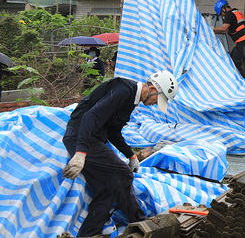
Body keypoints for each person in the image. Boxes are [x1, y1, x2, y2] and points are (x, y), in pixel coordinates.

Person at [62, 70, 178, 237]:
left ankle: (88, 234)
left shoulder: (131, 99)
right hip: (82, 137)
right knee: (123, 175)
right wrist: (81, 152)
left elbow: (113, 131)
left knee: (106, 189)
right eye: (157, 100)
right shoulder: (123, 91)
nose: (154, 104)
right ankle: (142, 225)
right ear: (152, 88)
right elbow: (90, 117)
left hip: (89, 139)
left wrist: (131, 155)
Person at [213, 0, 245, 78]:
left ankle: (243, 83)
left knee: (235, 63)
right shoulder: (236, 12)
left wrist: (212, 29)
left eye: (221, 14)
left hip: (244, 41)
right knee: (231, 60)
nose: (222, 16)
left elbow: (224, 28)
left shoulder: (229, 14)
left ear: (223, 9)